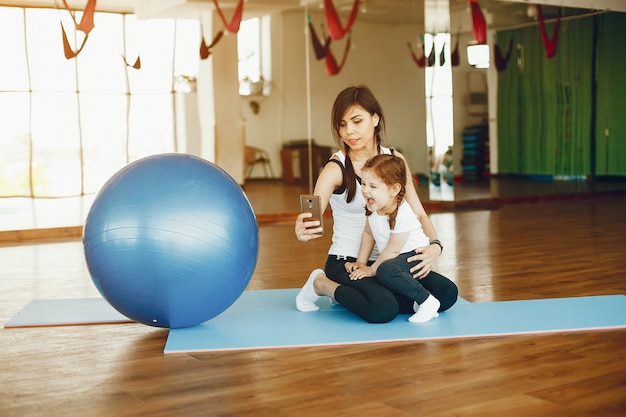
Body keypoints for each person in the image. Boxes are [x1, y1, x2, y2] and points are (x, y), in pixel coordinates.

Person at [294, 85, 458, 323]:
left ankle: (368, 293)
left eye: (356, 121)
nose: (349, 131)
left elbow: (419, 214)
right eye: (342, 124)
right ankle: (321, 284)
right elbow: (313, 216)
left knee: (446, 294)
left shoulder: (395, 160)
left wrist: (435, 246)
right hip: (348, 261)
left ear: (375, 118)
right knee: (383, 309)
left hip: (391, 262)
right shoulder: (335, 168)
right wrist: (303, 230)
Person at [345, 153, 441, 323]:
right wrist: (360, 262)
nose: (366, 190)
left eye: (373, 186)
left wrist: (371, 269)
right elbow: (368, 233)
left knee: (385, 270)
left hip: (414, 255)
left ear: (394, 190)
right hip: (397, 259)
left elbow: (393, 249)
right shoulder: (374, 206)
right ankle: (417, 303)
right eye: (364, 183)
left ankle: (427, 301)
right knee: (387, 270)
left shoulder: (402, 212)